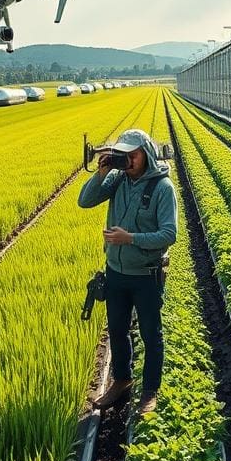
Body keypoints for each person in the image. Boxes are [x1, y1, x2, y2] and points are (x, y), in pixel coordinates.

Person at [78, 129, 177, 415]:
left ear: (146, 154)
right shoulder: (118, 179)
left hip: (146, 276)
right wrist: (101, 172)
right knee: (118, 330)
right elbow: (84, 201)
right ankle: (122, 380)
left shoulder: (162, 188)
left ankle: (149, 391)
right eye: (123, 155)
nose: (128, 161)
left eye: (132, 156)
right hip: (116, 272)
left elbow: (170, 234)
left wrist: (130, 238)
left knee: (150, 333)